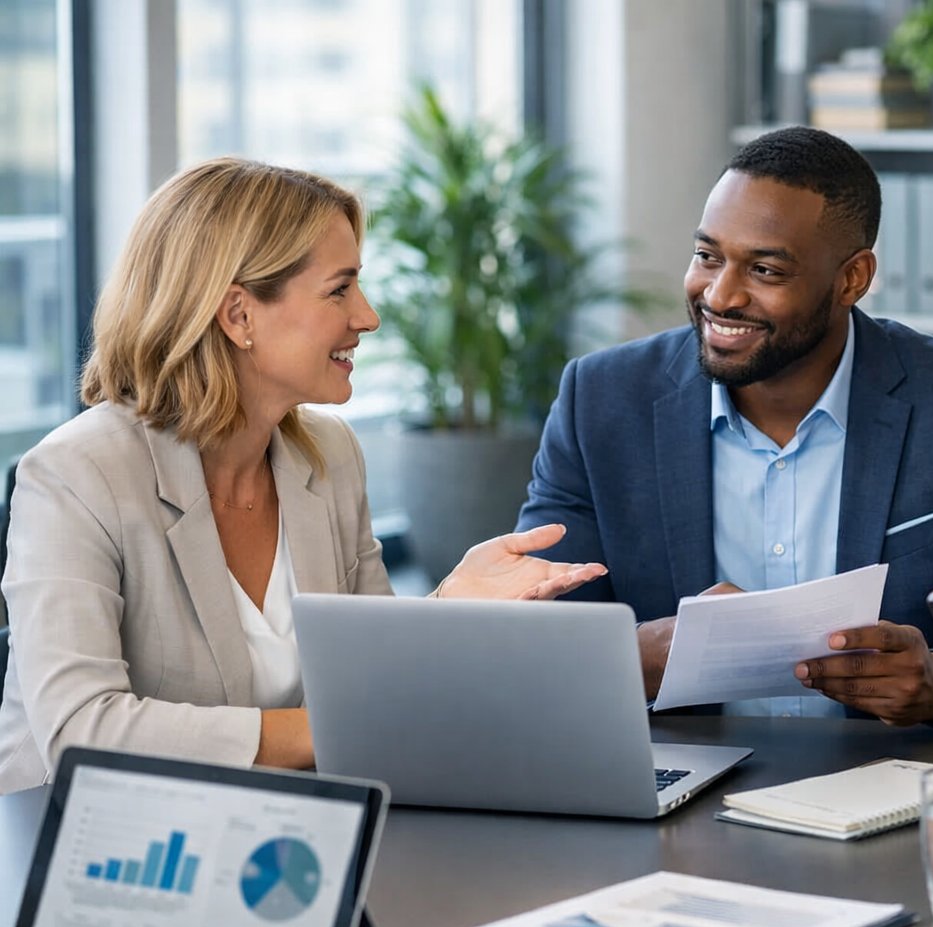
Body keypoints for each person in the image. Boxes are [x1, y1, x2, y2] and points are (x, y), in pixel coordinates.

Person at [0, 158, 606, 794]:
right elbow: (80, 729)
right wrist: (330, 729)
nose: (367, 316)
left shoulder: (328, 454)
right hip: (80, 850)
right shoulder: (75, 475)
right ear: (239, 316)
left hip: (268, 833)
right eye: (339, 290)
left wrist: (449, 608)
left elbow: (371, 675)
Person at [516, 125, 933, 725]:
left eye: (766, 271)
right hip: (677, 782)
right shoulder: (601, 400)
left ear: (852, 278)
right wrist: (634, 656)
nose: (720, 295)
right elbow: (531, 635)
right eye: (707, 256)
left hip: (888, 784)